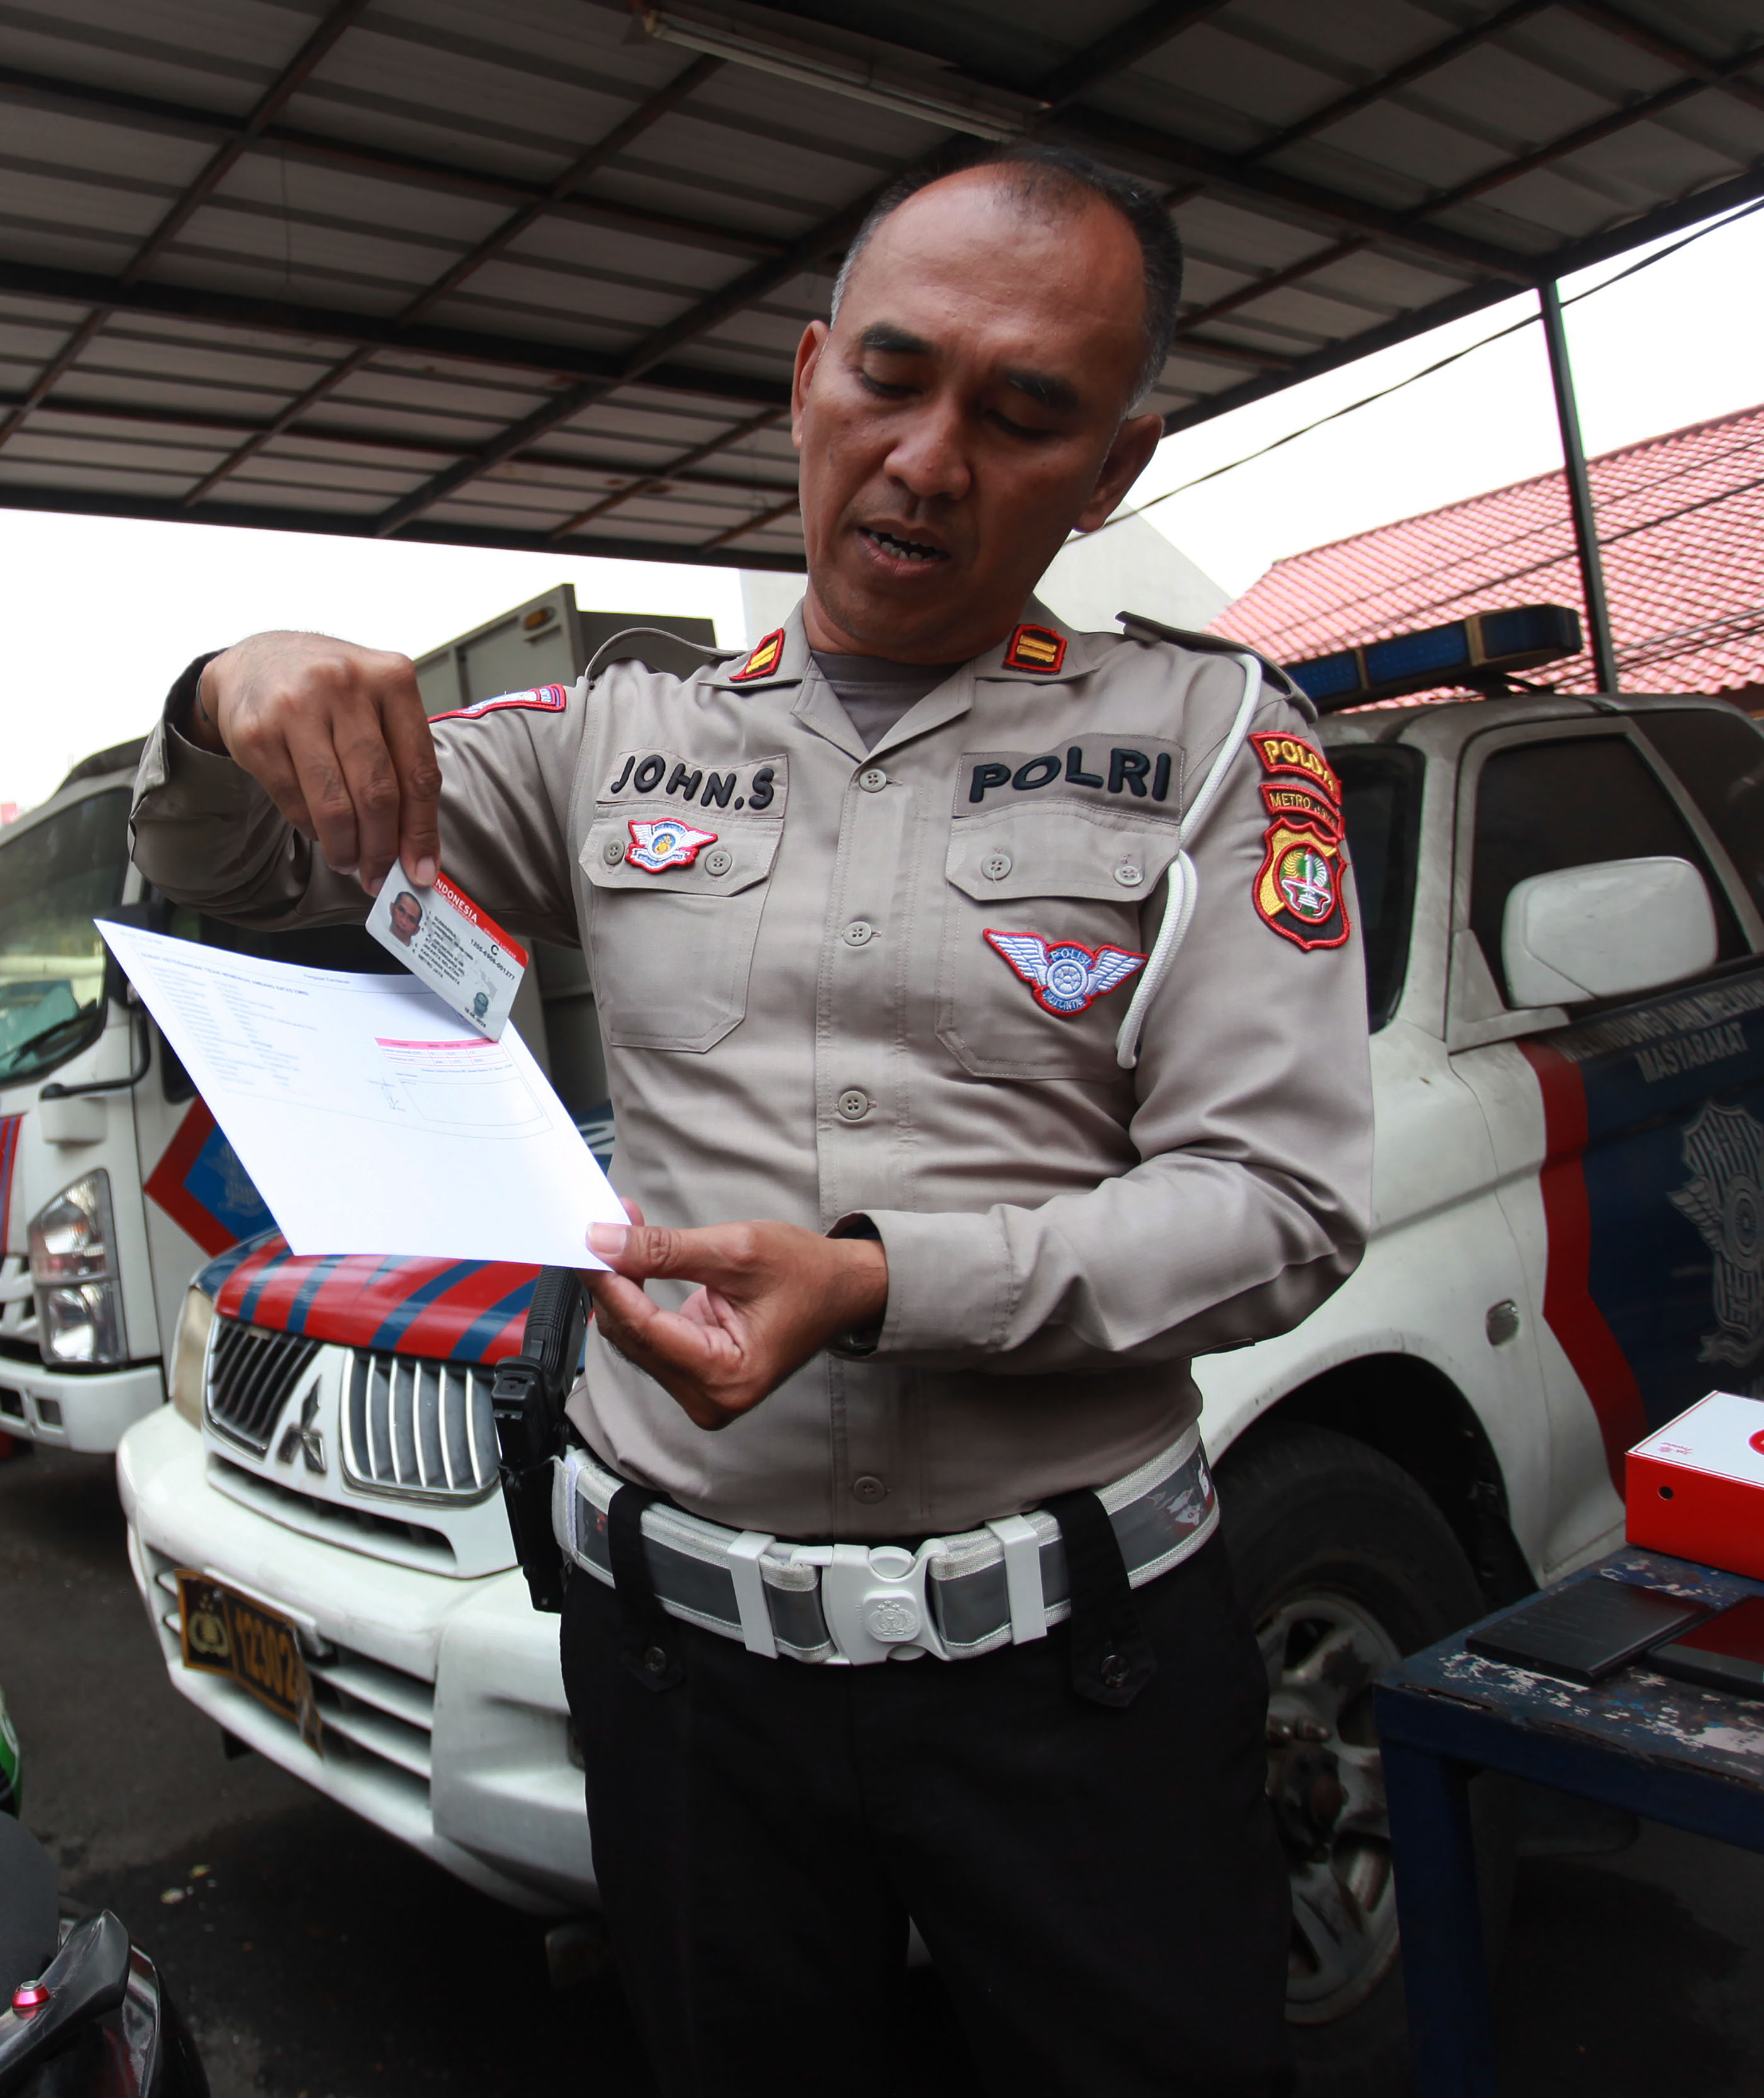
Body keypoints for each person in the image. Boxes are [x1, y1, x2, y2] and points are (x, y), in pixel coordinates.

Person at [129, 142, 1371, 2095]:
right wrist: (222, 693)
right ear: (806, 376)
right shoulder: (613, 743)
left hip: (1082, 1673)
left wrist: (881, 1283)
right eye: (891, 376)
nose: (930, 459)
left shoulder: (1217, 742)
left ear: (1115, 471)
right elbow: (260, 877)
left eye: (1024, 414)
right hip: (683, 1675)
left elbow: (1279, 1204)